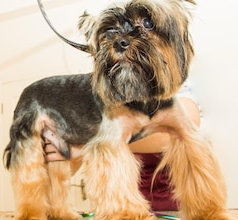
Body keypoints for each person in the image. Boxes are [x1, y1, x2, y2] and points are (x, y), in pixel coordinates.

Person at [42, 84, 201, 211]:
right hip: (119, 208)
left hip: (170, 207)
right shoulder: (106, 97)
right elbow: (72, 163)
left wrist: (86, 147)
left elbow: (182, 131)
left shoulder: (176, 91)